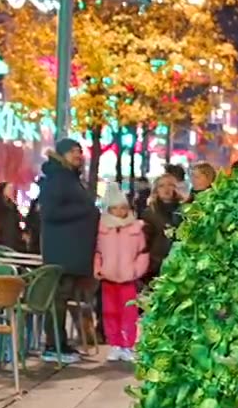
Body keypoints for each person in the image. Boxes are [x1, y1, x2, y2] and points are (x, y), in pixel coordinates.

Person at [37, 139, 100, 364]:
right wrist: (85, 212)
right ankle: (53, 345)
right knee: (58, 299)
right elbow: (49, 213)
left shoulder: (70, 178)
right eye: (74, 151)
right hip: (62, 252)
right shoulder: (58, 179)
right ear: (62, 154)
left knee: (63, 298)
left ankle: (61, 343)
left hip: (71, 252)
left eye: (80, 151)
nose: (78, 155)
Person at [93, 183, 149, 362]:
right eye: (116, 208)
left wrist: (135, 271)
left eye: (123, 207)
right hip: (108, 278)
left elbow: (142, 253)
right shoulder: (102, 229)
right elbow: (97, 252)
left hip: (127, 279)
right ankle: (115, 343)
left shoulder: (135, 229)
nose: (120, 211)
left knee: (129, 313)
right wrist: (98, 269)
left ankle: (128, 344)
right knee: (110, 312)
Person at [142, 173, 185, 280]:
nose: (166, 189)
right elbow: (144, 241)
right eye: (161, 186)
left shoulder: (185, 210)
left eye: (170, 185)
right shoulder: (149, 213)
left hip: (180, 262)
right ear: (156, 190)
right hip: (156, 265)